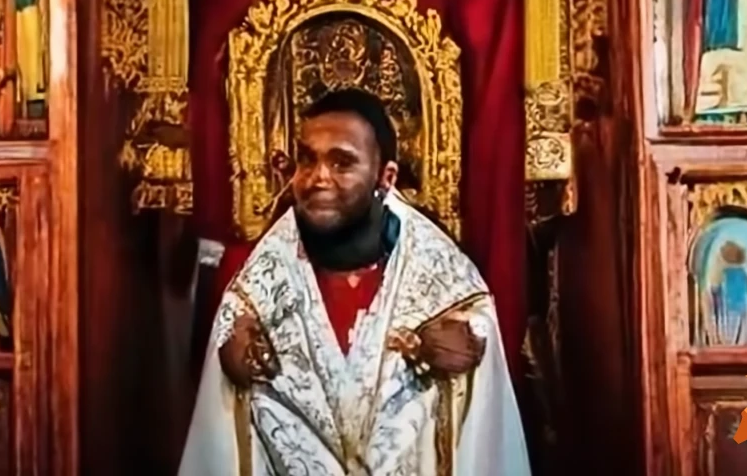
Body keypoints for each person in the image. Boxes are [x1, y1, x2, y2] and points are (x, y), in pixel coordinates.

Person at [179, 87, 530, 475]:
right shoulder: (251, 303)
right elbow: (220, 450)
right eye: (306, 159)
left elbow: (487, 450)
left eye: (342, 163)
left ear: (386, 177)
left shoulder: (452, 300)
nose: (317, 178)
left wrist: (469, 349)